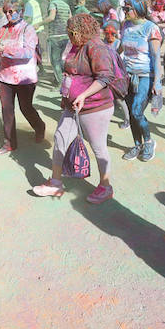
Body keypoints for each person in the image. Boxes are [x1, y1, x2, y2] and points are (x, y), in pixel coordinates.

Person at [32, 13, 116, 203]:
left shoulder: (96, 47)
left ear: (81, 32)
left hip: (95, 107)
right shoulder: (75, 45)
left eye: (72, 33)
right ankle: (55, 183)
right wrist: (66, 97)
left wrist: (84, 95)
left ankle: (105, 186)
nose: (69, 36)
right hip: (72, 106)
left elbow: (105, 77)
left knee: (98, 147)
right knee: (60, 138)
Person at [0, 0, 47, 154]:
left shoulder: (28, 29)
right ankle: (9, 142)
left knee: (26, 108)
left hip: (24, 78)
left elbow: (28, 52)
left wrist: (6, 51)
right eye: (6, 12)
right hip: (5, 77)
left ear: (21, 12)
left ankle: (39, 127)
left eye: (11, 11)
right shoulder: (3, 30)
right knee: (7, 110)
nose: (8, 15)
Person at [119, 0, 162, 162]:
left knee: (137, 111)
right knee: (131, 113)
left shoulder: (151, 28)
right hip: (127, 75)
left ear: (138, 9)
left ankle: (149, 142)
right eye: (124, 9)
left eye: (127, 9)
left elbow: (156, 57)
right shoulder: (126, 26)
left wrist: (157, 82)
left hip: (145, 76)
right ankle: (137, 144)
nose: (125, 12)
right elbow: (121, 48)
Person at [38, 0, 72, 85]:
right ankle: (65, 80)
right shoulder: (66, 5)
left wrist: (39, 23)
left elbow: (51, 17)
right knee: (59, 59)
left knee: (54, 61)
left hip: (55, 37)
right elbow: (70, 19)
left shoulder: (53, 3)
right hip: (65, 36)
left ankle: (61, 83)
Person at [103, 20, 131, 129]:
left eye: (112, 34)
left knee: (120, 99)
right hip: (107, 74)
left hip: (118, 76)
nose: (109, 36)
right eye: (107, 33)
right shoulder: (103, 42)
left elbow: (121, 59)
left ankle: (128, 120)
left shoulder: (119, 43)